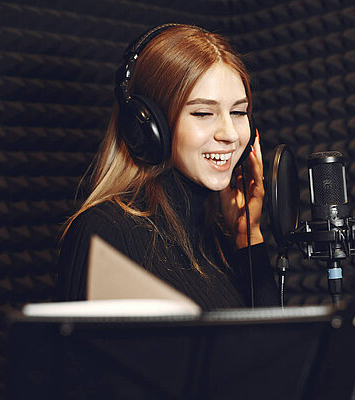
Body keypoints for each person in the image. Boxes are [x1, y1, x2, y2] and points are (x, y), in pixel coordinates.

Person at [56, 24, 279, 309]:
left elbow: (271, 347)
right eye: (203, 113)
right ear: (149, 126)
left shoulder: (221, 234)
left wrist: (249, 239)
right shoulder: (106, 233)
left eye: (238, 112)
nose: (231, 134)